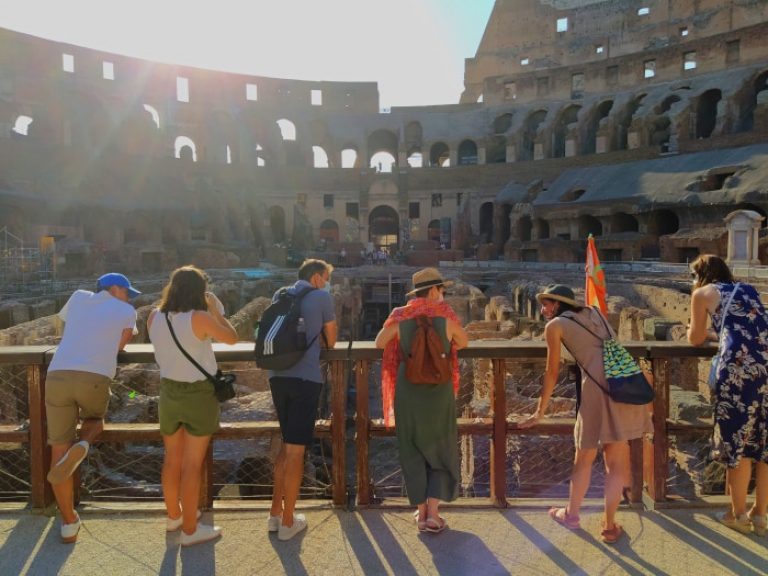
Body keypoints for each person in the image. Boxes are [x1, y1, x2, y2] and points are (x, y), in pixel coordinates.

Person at [519, 284, 651, 544]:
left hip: (595, 392)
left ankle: (571, 514)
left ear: (557, 305)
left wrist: (539, 411)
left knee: (584, 457)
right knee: (616, 463)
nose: (543, 309)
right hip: (620, 387)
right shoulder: (596, 312)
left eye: (546, 304)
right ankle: (609, 525)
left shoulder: (555, 326)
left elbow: (552, 371)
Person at [46, 272, 139, 543]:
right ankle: (85, 443)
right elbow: (119, 345)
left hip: (57, 374)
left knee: (58, 449)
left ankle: (68, 522)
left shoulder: (77, 296)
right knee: (96, 421)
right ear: (113, 289)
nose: (129, 297)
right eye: (126, 291)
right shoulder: (127, 311)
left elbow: (63, 329)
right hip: (94, 376)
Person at [147, 266, 238, 547]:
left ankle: (174, 516)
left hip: (169, 391)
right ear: (199, 291)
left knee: (172, 459)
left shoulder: (154, 316)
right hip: (197, 394)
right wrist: (215, 311)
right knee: (192, 465)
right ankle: (190, 530)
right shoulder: (199, 318)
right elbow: (232, 338)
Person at [375, 268, 468, 533]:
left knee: (411, 447)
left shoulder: (400, 316)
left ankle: (420, 510)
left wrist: (403, 334)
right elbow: (464, 342)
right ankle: (434, 515)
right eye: (442, 290)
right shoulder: (446, 316)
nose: (443, 294)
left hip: (409, 388)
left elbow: (380, 343)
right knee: (440, 447)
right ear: (433, 291)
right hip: (439, 389)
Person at [687, 254, 768, 536]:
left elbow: (694, 338)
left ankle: (738, 515)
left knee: (738, 444)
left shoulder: (702, 293)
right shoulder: (748, 289)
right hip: (766, 369)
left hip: (737, 372)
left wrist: (710, 334)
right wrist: (719, 333)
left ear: (700, 274)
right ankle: (760, 516)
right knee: (763, 445)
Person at [268, 259, 337, 541]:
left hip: (277, 376)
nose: (327, 282)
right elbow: (331, 341)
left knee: (286, 446)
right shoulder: (322, 297)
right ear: (318, 278)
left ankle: (274, 514)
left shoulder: (280, 294)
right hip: (305, 378)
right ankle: (287, 523)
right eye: (327, 277)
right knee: (297, 452)